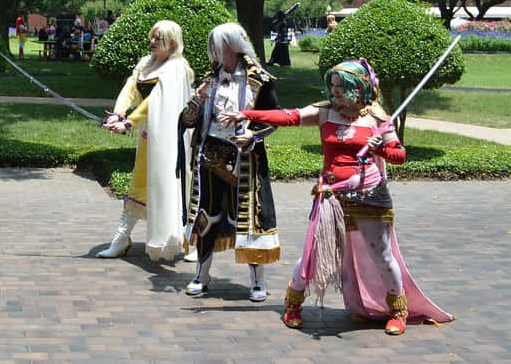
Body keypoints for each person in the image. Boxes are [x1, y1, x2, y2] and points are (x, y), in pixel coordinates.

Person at [218, 59, 453, 335]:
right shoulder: (325, 112)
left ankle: (398, 310)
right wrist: (248, 114)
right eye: (332, 86)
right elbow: (289, 116)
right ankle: (293, 304)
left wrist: (380, 149)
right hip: (331, 195)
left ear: (359, 87)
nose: (335, 92)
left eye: (341, 87)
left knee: (383, 255)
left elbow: (399, 156)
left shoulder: (376, 118)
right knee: (312, 254)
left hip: (370, 194)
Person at [180, 22, 281, 301]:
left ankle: (258, 281)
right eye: (213, 47)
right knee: (206, 216)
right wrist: (196, 101)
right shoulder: (209, 79)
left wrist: (252, 134)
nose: (215, 53)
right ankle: (201, 274)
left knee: (247, 219)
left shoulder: (260, 80)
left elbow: (274, 118)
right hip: (210, 156)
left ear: (234, 47)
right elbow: (188, 121)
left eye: (220, 47)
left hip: (245, 160)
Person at [99, 21, 195, 262]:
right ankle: (121, 239)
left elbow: (155, 101)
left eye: (158, 38)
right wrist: (117, 114)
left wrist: (128, 122)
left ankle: (190, 242)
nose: (152, 42)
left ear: (172, 43)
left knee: (175, 188)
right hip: (147, 136)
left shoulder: (177, 68)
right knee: (138, 184)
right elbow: (131, 89)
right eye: (151, 37)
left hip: (172, 139)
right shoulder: (146, 63)